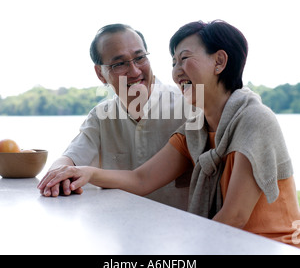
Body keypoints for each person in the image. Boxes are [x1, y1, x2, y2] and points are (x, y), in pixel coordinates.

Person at [38, 20, 300, 247]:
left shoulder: (254, 119)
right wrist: (87, 172)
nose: (176, 71)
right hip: (218, 242)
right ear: (101, 73)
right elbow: (141, 179)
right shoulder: (195, 130)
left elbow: (234, 217)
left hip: (268, 246)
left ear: (219, 61)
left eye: (184, 58)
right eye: (174, 61)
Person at [40, 23, 193, 210]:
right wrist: (58, 175)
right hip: (120, 230)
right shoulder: (101, 116)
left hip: (180, 234)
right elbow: (70, 159)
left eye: (140, 58)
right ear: (100, 74)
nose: (135, 71)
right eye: (119, 64)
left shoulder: (189, 106)